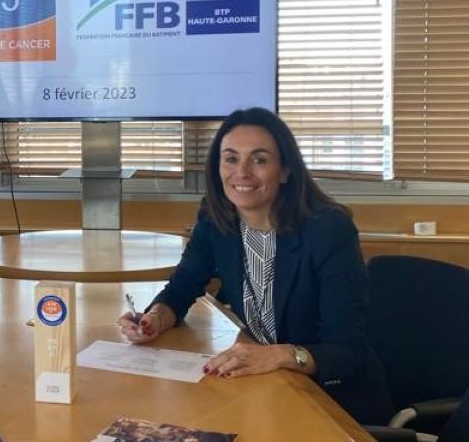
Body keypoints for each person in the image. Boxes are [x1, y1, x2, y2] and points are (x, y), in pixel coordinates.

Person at [118, 107, 392, 424]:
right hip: (269, 385)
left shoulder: (328, 231)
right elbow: (182, 288)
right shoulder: (217, 217)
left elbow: (347, 353)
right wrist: (154, 319)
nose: (242, 172)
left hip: (334, 402)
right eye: (231, 159)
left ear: (285, 170)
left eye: (259, 160)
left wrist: (280, 355)